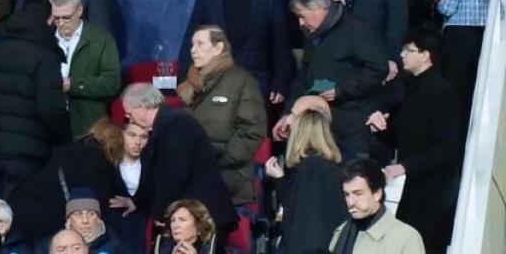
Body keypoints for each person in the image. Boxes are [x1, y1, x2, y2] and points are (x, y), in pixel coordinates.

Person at [0, 0, 70, 199]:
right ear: (48, 21)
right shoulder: (46, 57)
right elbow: (51, 110)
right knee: (21, 213)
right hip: (27, 153)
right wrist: (63, 138)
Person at [366, 32, 461, 253]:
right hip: (416, 186)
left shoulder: (440, 90)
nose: (402, 54)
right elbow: (402, 134)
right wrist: (378, 127)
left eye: (408, 50)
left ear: (426, 55)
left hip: (433, 193)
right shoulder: (415, 88)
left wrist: (404, 166)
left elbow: (447, 148)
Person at [179, 0, 293, 104]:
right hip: (212, 84)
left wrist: (281, 84)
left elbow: (280, 45)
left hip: (256, 88)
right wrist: (183, 80)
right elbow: (192, 37)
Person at [274, 0, 387, 160]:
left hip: (352, 125)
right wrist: (289, 113)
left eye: (302, 16)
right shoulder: (311, 34)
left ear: (319, 9)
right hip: (318, 126)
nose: (300, 23)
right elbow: (304, 78)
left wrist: (341, 89)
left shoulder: (357, 29)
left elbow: (379, 68)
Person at [121, 83, 237, 238]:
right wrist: (136, 201)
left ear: (142, 107)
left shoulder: (176, 122)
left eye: (129, 114)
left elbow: (175, 172)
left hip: (203, 218)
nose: (130, 119)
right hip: (188, 215)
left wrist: (162, 211)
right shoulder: (162, 126)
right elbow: (152, 174)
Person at [177, 26, 266, 207]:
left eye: (200, 44)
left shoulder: (242, 81)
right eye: (192, 44)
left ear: (218, 48)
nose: (193, 50)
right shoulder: (190, 84)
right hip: (192, 181)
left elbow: (252, 130)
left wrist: (220, 163)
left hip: (230, 184)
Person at [436, 0, 500, 123]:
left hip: (458, 33)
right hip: (480, 35)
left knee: (450, 92)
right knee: (467, 94)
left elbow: (448, 7)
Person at [264, 105, 347, 253]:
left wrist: (280, 180)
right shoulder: (333, 168)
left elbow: (295, 209)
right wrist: (280, 178)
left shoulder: (308, 167)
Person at [50, 0, 121, 139]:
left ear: (79, 10)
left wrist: (73, 84)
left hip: (88, 128)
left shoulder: (101, 39)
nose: (61, 23)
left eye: (66, 18)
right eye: (56, 18)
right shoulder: (45, 39)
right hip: (53, 125)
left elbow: (112, 83)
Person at [329, 159, 425, 253]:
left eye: (358, 194)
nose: (350, 202)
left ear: (377, 194)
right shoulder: (341, 232)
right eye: (347, 194)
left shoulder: (406, 238)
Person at [108, 122, 152, 254]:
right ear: (122, 134)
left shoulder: (152, 163)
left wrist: (136, 202)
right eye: (132, 135)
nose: (138, 142)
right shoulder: (110, 161)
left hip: (145, 221)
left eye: (143, 137)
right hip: (116, 222)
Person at [61, 190, 126, 254]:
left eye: (91, 213)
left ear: (98, 219)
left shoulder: (116, 243)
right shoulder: (59, 245)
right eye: (78, 214)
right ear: (69, 220)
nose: (85, 220)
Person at [152, 199, 216, 254]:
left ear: (199, 225)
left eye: (182, 220)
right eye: (173, 220)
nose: (176, 225)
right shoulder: (161, 247)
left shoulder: (211, 248)